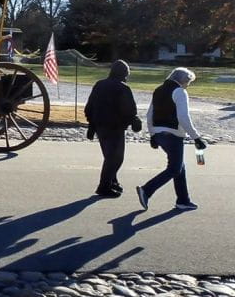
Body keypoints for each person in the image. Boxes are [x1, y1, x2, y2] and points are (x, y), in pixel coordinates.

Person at [137, 67, 206, 212]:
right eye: (188, 82)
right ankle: (146, 190)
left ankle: (183, 200)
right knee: (174, 168)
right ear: (183, 80)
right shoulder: (180, 92)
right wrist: (196, 137)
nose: (188, 85)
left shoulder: (158, 90)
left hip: (159, 133)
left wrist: (152, 135)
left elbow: (150, 114)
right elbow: (183, 117)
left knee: (179, 167)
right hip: (173, 134)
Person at [84, 60, 142, 198]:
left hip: (100, 126)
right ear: (124, 74)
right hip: (115, 127)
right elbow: (129, 110)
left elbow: (89, 107)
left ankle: (112, 182)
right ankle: (103, 186)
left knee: (109, 157)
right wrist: (133, 120)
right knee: (116, 158)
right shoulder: (123, 88)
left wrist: (91, 125)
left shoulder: (99, 84)